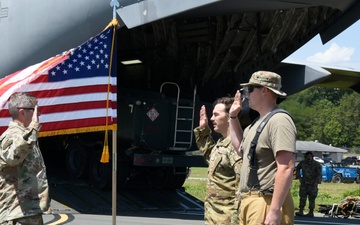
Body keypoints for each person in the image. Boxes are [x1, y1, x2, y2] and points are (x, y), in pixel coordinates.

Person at [229, 71, 297, 225]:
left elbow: (286, 167)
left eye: (250, 89)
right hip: (251, 200)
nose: (246, 94)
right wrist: (232, 117)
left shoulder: (279, 120)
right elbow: (241, 149)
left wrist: (274, 210)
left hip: (266, 201)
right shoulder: (257, 123)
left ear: (264, 90)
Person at [0, 92, 50, 225]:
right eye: (35, 111)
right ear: (22, 112)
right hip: (17, 213)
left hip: (28, 211)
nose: (38, 115)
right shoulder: (12, 136)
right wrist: (34, 127)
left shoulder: (26, 136)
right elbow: (13, 157)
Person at [194, 97, 242, 225]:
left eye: (216, 115)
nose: (211, 119)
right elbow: (212, 158)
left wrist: (236, 220)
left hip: (227, 219)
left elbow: (242, 186)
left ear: (229, 117)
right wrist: (203, 130)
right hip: (214, 217)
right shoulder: (221, 143)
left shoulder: (235, 147)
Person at [295, 151, 322, 217]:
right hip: (304, 183)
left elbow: (319, 174)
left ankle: (311, 212)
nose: (308, 158)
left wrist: (317, 182)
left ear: (312, 157)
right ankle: (301, 211)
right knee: (302, 198)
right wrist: (299, 177)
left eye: (310, 156)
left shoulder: (317, 164)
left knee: (312, 198)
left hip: (313, 184)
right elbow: (297, 169)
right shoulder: (302, 163)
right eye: (307, 157)